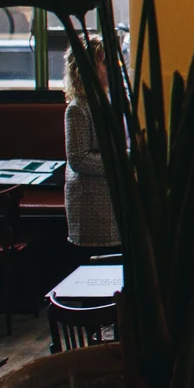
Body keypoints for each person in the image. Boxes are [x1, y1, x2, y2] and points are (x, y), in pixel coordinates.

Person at [63, 35, 118, 252]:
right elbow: (78, 159)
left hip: (109, 200)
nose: (110, 67)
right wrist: (122, 160)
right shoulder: (78, 109)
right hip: (91, 202)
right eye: (104, 63)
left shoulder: (106, 101)